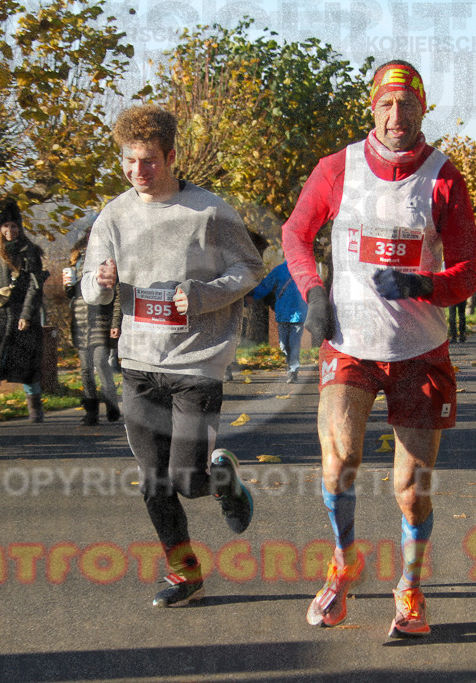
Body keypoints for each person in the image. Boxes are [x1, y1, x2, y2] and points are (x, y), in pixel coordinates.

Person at [282, 59, 476, 637]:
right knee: (340, 458)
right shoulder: (337, 168)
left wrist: (425, 285)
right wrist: (313, 291)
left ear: (423, 109)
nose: (397, 115)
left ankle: (410, 588)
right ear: (373, 107)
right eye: (386, 104)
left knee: (411, 492)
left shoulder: (445, 178)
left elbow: (467, 273)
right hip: (351, 342)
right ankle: (343, 563)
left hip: (419, 349)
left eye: (408, 103)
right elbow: (296, 233)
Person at [81, 104, 265, 608]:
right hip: (139, 364)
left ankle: (222, 480)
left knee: (187, 479)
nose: (138, 171)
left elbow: (250, 268)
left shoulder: (209, 211)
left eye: (148, 161)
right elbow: (89, 287)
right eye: (129, 161)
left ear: (171, 157)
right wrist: (99, 284)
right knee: (153, 484)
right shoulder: (114, 215)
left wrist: (202, 295)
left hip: (196, 365)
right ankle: (186, 577)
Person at [0, 199, 47, 426]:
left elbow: (35, 288)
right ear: (0, 229)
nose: (10, 231)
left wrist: (25, 315)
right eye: (6, 226)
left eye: (14, 226)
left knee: (26, 364)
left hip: (23, 317)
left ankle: (35, 410)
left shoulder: (29, 252)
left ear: (19, 227)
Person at [65, 233, 121, 425]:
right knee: (85, 368)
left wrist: (115, 323)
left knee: (101, 362)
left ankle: (112, 404)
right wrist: (68, 287)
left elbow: (118, 294)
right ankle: (91, 412)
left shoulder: (107, 261)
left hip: (101, 321)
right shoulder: (76, 260)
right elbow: (72, 294)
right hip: (81, 322)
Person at [249, 261, 308, 382]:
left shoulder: (305, 269)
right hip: (283, 313)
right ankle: (290, 362)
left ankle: (293, 370)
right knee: (283, 345)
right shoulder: (279, 269)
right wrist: (251, 295)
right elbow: (266, 286)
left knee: (294, 343)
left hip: (299, 312)